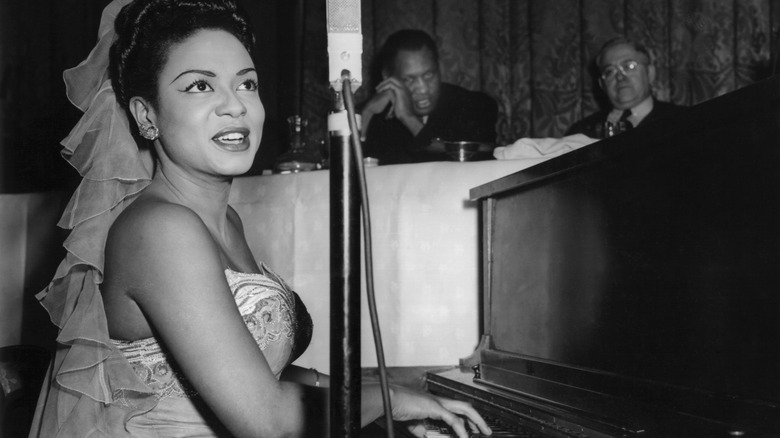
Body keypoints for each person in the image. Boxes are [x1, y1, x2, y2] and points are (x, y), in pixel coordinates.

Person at [28, 1, 493, 437]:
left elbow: (251, 374)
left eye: (246, 83)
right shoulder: (159, 230)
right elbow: (266, 421)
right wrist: (389, 398)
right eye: (199, 85)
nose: (236, 105)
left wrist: (396, 391)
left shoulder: (223, 218)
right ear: (146, 116)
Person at [360, 29, 498, 165]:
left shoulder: (474, 106)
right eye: (409, 79)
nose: (423, 89)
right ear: (388, 77)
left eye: (428, 75)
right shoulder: (375, 114)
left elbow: (462, 166)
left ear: (440, 69)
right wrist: (366, 115)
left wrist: (409, 119)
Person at [565, 37, 685, 139]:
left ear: (650, 73)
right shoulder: (581, 133)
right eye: (609, 71)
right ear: (602, 84)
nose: (620, 77)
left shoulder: (683, 121)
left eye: (629, 66)